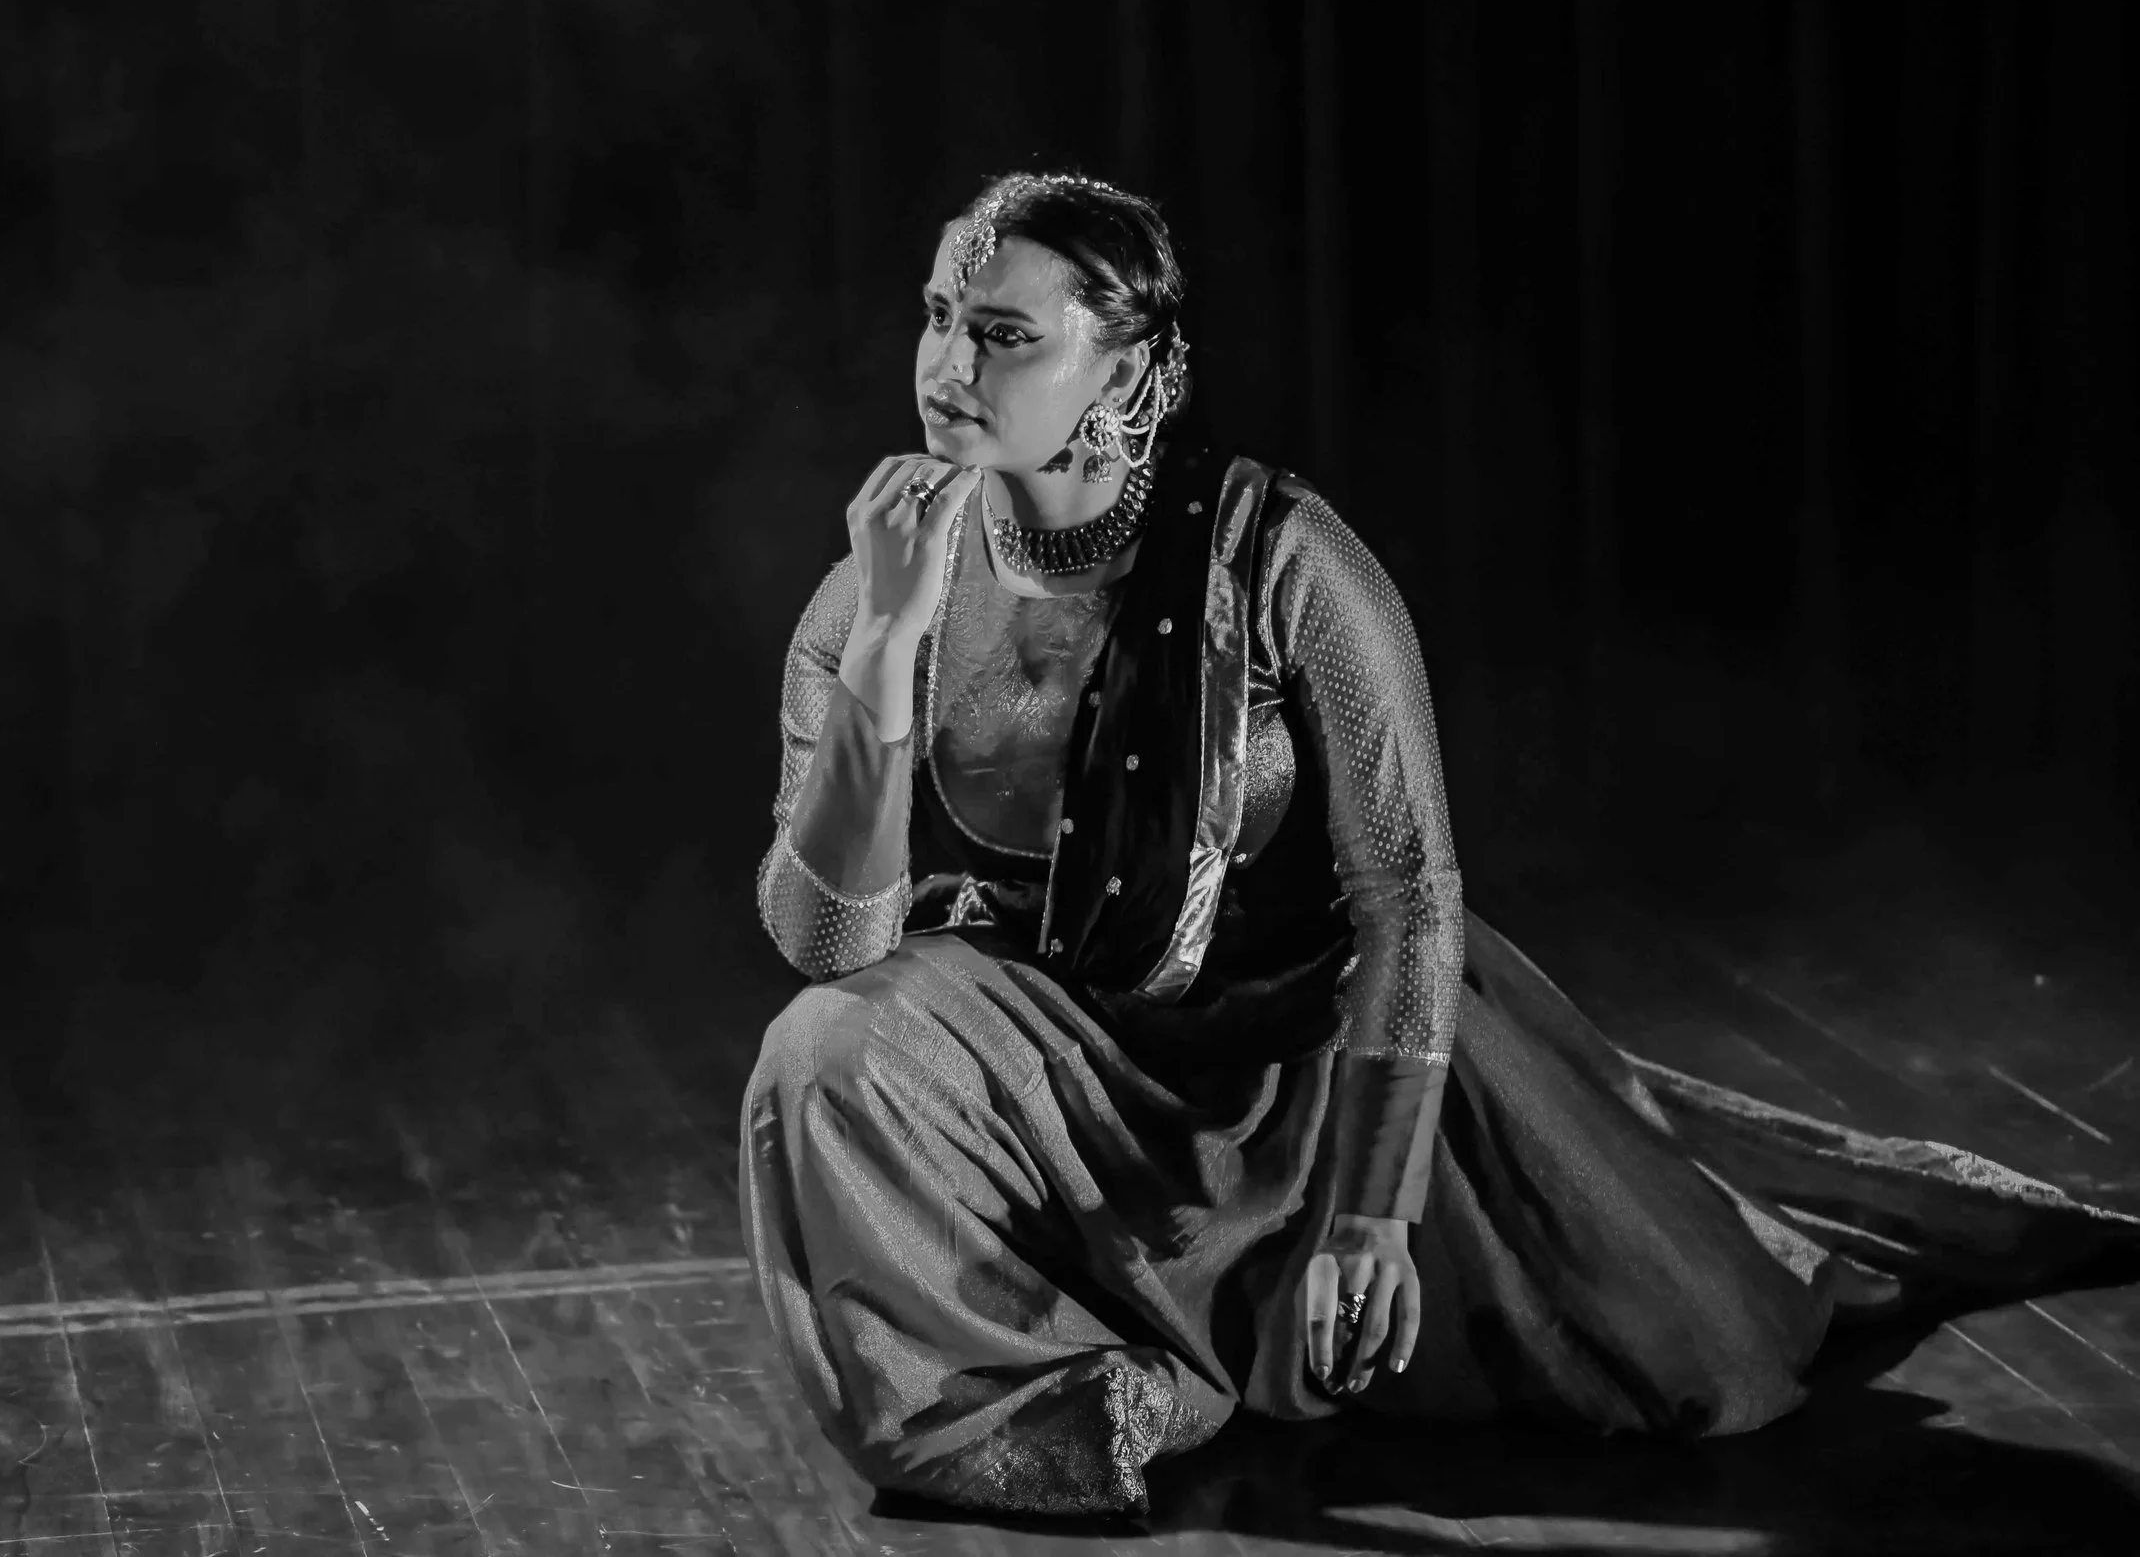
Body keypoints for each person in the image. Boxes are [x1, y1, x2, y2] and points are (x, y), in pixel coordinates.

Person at [738, 170, 2140, 1521]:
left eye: (1000, 334)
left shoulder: (1283, 560)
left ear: (1120, 369)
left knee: (1701, 1362)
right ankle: (1091, 1388)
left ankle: (1304, 1290)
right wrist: (888, 641)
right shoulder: (873, 589)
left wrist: (1371, 1217)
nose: (944, 363)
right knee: (824, 1048)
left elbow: (1408, 896)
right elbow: (829, 944)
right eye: (935, 315)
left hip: (1314, 1051)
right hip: (1060, 1064)